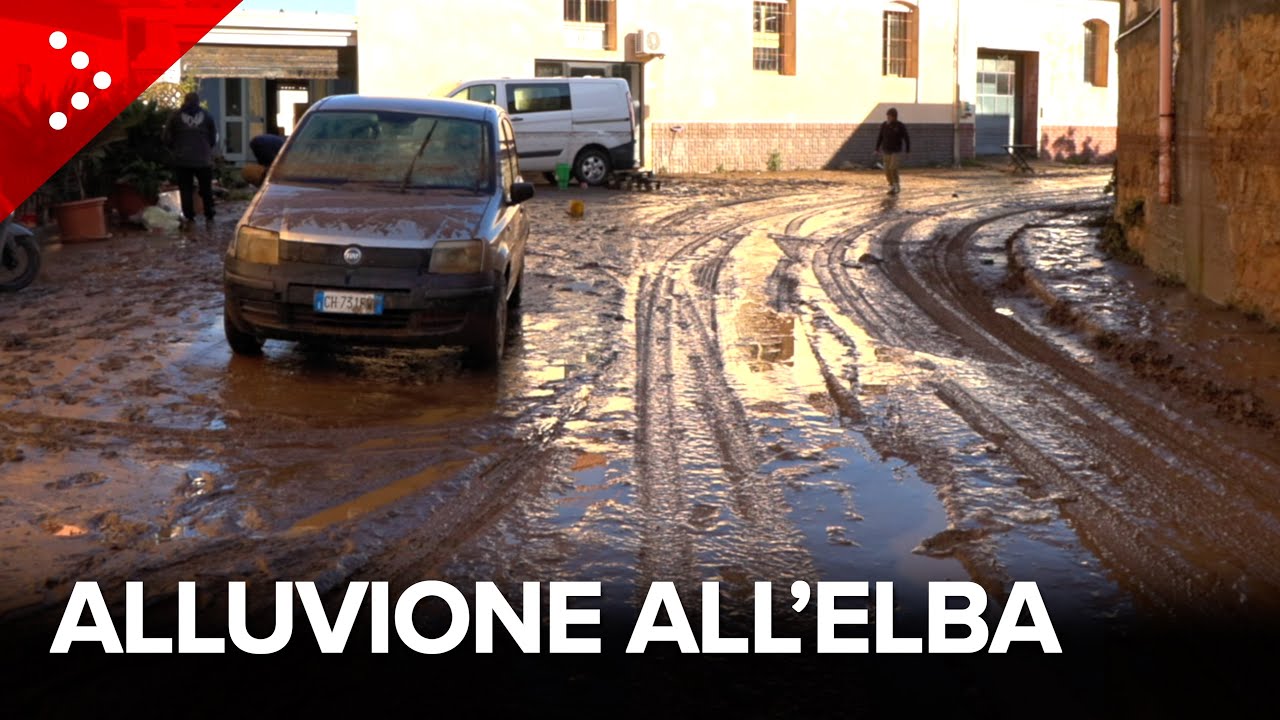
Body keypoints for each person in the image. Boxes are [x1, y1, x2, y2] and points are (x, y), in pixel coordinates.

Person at [163, 91, 218, 227]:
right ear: (198, 102)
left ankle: (189, 217)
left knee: (185, 189)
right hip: (203, 159)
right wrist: (206, 149)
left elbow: (166, 137)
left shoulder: (175, 116)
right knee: (206, 188)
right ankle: (209, 214)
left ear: (185, 101)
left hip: (182, 159)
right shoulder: (207, 116)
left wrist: (175, 149)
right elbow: (213, 137)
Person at [874, 108, 911, 194]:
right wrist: (876, 149)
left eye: (890, 116)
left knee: (893, 168)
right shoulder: (884, 125)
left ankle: (897, 185)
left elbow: (906, 138)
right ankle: (892, 186)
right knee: (887, 170)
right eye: (887, 116)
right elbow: (880, 137)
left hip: (896, 151)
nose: (888, 118)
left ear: (894, 117)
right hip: (886, 150)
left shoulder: (900, 126)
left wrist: (907, 150)